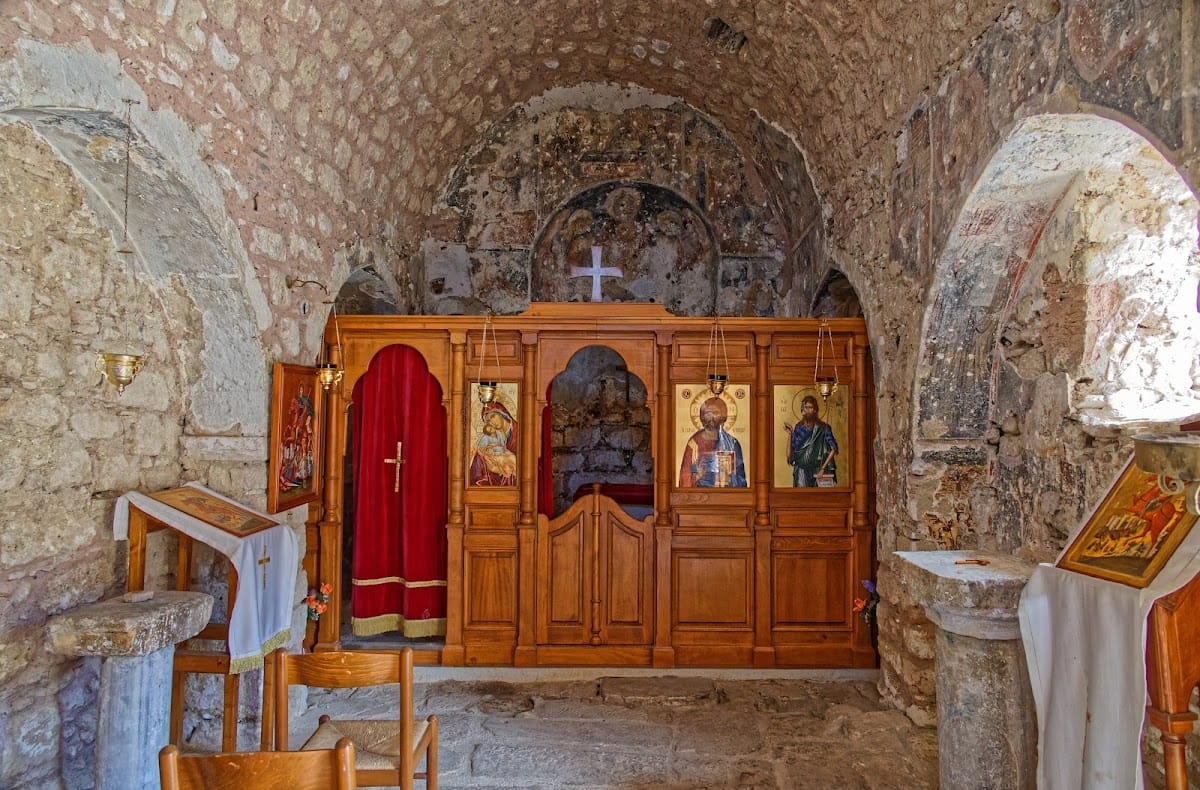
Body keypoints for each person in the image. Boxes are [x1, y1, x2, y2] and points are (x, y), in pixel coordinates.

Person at [678, 396, 746, 488]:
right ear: (702, 417)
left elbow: (740, 479)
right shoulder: (694, 444)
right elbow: (685, 478)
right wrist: (697, 476)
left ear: (723, 416)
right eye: (708, 413)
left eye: (716, 412)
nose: (712, 417)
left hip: (727, 494)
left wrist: (730, 479)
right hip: (701, 494)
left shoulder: (732, 443)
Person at [787, 395, 838, 487]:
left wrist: (823, 468)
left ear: (815, 410)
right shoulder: (799, 429)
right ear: (803, 410)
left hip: (818, 470)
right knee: (802, 495)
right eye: (806, 407)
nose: (808, 410)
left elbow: (833, 449)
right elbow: (790, 455)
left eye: (810, 407)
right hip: (801, 472)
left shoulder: (823, 428)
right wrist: (790, 434)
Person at [470, 400, 518, 485]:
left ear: (503, 413)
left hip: (513, 481)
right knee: (480, 455)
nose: (491, 422)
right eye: (488, 421)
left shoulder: (519, 432)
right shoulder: (490, 436)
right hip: (495, 475)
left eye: (492, 416)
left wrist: (499, 470)